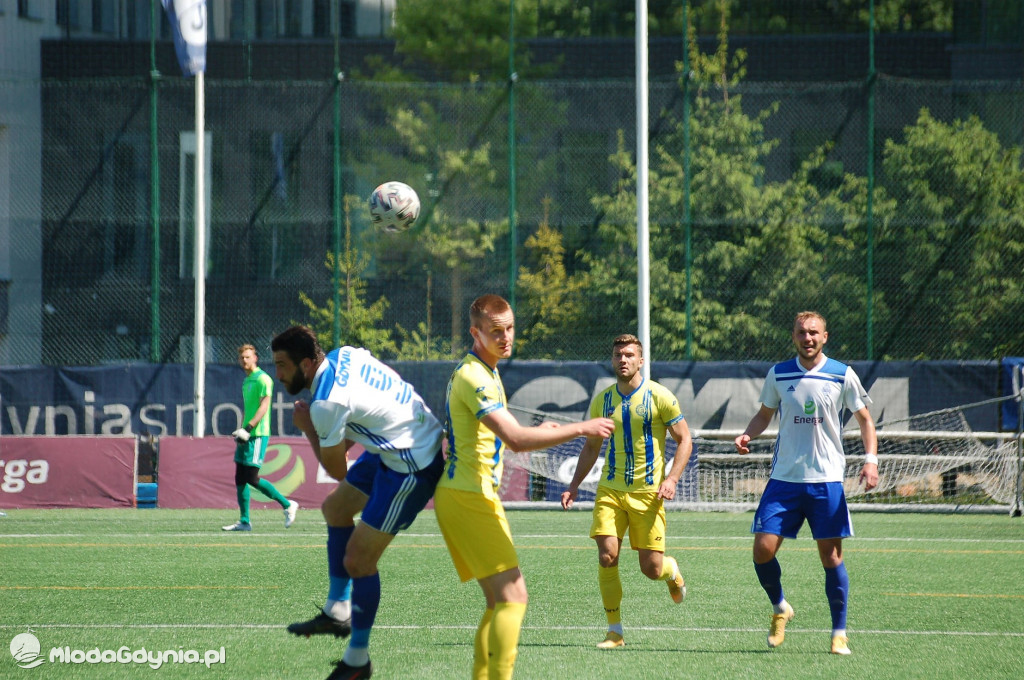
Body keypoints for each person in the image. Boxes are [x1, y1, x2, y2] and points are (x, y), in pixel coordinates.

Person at [433, 294, 615, 680]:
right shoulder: (475, 376)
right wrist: (582, 427)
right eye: (495, 331)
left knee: (497, 602)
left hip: (467, 495)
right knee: (515, 598)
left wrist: (542, 431)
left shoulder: (485, 369)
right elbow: (514, 440)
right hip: (469, 496)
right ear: (475, 333)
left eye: (510, 328)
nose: (505, 337)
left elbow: (504, 433)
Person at [271, 325, 445, 680]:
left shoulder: (325, 404)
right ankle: (337, 611)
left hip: (413, 462)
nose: (278, 374)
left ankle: (357, 661)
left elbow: (336, 469)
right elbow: (359, 422)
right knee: (335, 510)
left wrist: (307, 428)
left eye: (282, 365)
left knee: (359, 560)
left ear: (305, 364)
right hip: (396, 442)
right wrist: (324, 430)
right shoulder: (342, 356)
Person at [734, 311, 878, 656]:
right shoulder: (779, 373)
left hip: (826, 481)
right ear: (793, 336)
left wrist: (870, 461)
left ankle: (839, 633)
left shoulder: (842, 374)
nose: (808, 338)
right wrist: (747, 434)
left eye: (814, 332)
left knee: (830, 556)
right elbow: (764, 414)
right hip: (784, 479)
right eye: (802, 332)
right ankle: (781, 606)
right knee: (762, 549)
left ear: (825, 336)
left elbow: (865, 420)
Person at [560, 333, 693, 649]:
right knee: (607, 556)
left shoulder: (661, 397)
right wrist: (574, 486)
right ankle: (614, 631)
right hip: (610, 490)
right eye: (618, 354)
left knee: (652, 569)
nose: (623, 359)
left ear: (641, 360)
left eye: (630, 354)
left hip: (648, 494)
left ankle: (672, 572)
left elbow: (685, 439)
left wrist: (672, 478)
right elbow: (592, 446)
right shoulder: (602, 401)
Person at [222, 344, 298, 532]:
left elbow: (264, 408)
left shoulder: (263, 379)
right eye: (242, 358)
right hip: (246, 434)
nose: (244, 361)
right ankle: (245, 521)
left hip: (257, 434)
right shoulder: (247, 381)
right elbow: (250, 409)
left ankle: (288, 505)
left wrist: (248, 428)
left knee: (252, 478)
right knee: (240, 478)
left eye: (248, 357)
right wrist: (242, 430)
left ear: (255, 358)